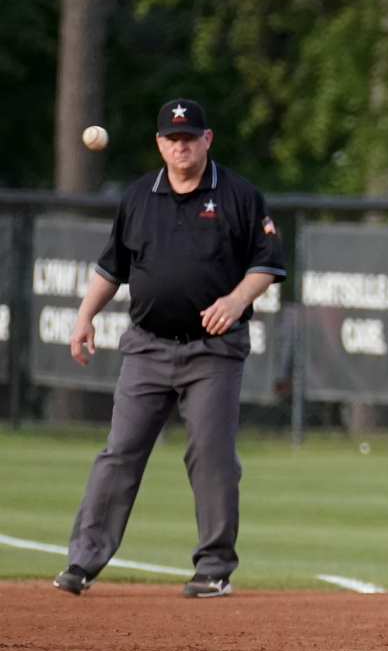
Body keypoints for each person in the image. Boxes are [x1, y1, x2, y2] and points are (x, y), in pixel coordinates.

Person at [54, 98, 284, 599]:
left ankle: (214, 568)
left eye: (190, 137)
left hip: (213, 352)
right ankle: (82, 562)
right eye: (172, 138)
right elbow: (111, 267)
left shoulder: (239, 195)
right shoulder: (139, 196)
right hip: (147, 348)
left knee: (212, 454)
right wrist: (84, 316)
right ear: (160, 144)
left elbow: (267, 262)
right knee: (120, 453)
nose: (181, 146)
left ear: (207, 139)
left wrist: (237, 297)